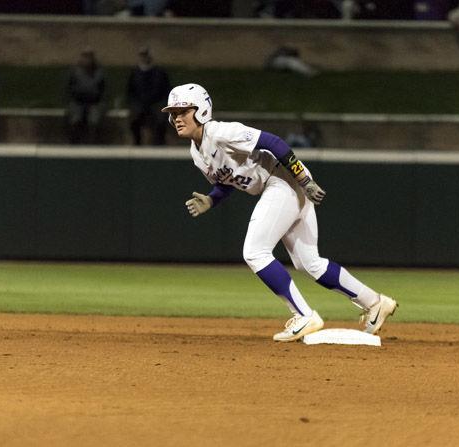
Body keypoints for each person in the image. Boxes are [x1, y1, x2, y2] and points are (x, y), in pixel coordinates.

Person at [161, 83, 397, 342]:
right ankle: (376, 303)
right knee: (311, 264)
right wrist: (212, 199)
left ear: (202, 111)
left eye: (183, 111)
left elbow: (274, 142)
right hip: (283, 187)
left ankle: (304, 315)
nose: (177, 118)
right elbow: (226, 181)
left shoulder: (221, 132)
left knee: (254, 252)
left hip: (283, 181)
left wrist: (304, 179)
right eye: (173, 113)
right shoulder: (197, 152)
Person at [126, 47, 171, 145]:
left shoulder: (160, 72)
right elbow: (130, 92)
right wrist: (135, 103)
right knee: (134, 119)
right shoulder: (135, 72)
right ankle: (137, 143)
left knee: (161, 120)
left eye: (146, 55)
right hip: (139, 104)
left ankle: (160, 144)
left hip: (157, 103)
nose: (144, 58)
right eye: (142, 55)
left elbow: (166, 90)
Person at [66, 48, 106, 144]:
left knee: (94, 122)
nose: (87, 60)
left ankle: (92, 145)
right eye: (85, 57)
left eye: (89, 57)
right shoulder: (74, 71)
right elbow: (69, 87)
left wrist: (101, 101)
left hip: (94, 103)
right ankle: (74, 145)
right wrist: (72, 99)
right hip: (78, 102)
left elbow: (103, 88)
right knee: (75, 121)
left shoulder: (99, 72)